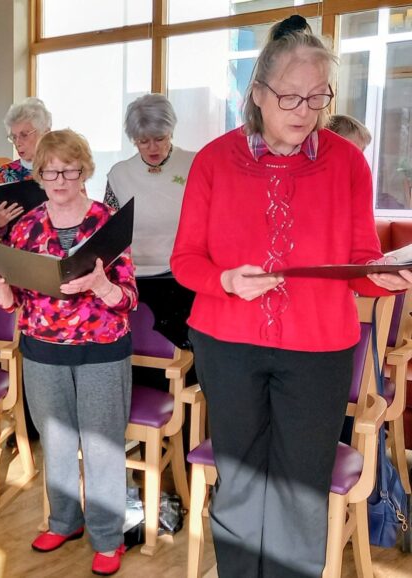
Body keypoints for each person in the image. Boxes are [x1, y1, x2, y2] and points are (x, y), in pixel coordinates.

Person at [170, 15, 412, 577]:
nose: (304, 111)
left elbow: (356, 264)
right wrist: (226, 280)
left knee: (300, 489)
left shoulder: (347, 161)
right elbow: (185, 262)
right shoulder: (213, 160)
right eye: (289, 97)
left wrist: (386, 277)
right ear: (257, 93)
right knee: (241, 478)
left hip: (319, 351)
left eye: (317, 98)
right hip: (226, 344)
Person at [0, 130, 135, 575]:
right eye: (50, 172)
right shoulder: (26, 226)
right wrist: (1, 287)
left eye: (69, 171)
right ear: (40, 174)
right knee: (57, 440)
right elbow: (13, 303)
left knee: (103, 445)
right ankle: (64, 520)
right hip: (42, 347)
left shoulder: (109, 221)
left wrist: (102, 285)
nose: (60, 180)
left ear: (84, 171)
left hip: (102, 348)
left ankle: (108, 538)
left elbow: (128, 298)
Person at [106, 94, 196, 349]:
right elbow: (109, 227)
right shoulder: (119, 174)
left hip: (180, 274)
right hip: (132, 277)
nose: (152, 148)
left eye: (160, 138)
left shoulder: (195, 164)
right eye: (143, 141)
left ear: (171, 132)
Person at [0, 97, 53, 236]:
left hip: (53, 248)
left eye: (24, 135)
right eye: (13, 136)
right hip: (15, 248)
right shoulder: (6, 172)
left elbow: (81, 218)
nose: (18, 142)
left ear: (45, 133)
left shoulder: (65, 170)